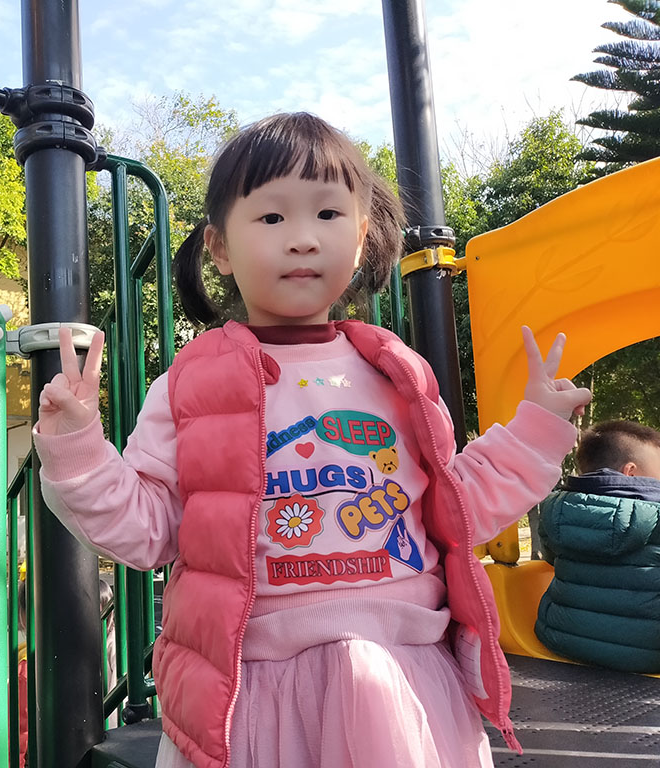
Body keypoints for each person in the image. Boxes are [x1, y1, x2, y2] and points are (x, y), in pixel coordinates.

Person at [34, 112, 591, 768]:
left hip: (406, 672)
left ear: (360, 238)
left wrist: (535, 428)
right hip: (256, 691)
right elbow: (149, 529)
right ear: (219, 247)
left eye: (328, 215)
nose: (302, 239)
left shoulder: (399, 373)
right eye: (271, 218)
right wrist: (77, 444)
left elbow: (456, 507)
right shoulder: (193, 382)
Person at [536, 420, 660, 673]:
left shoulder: (555, 510)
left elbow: (550, 557)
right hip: (647, 656)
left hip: (561, 639)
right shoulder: (655, 516)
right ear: (630, 472)